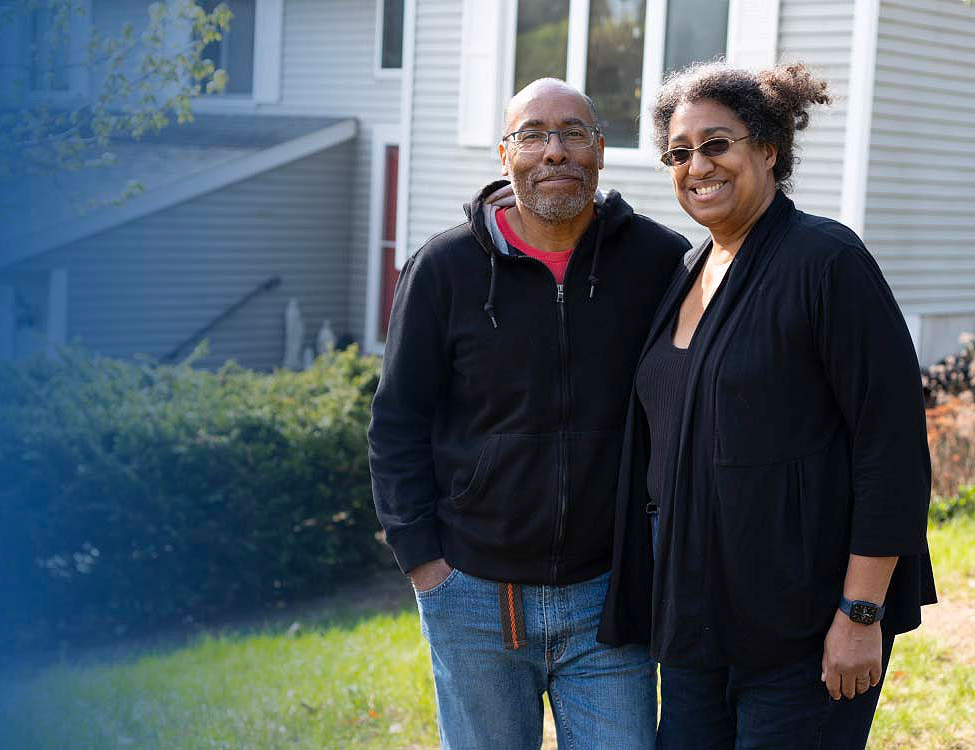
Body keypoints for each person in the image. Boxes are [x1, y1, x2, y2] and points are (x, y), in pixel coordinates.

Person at [597, 61, 937, 750]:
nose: (698, 165)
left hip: (804, 624)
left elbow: (891, 448)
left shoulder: (824, 260)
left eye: (717, 143)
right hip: (694, 619)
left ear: (768, 148)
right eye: (680, 152)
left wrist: (861, 613)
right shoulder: (694, 267)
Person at [368, 79, 689, 750]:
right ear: (505, 152)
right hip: (473, 595)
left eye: (574, 133)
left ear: (600, 150)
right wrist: (423, 561)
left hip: (611, 596)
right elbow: (397, 422)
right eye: (533, 134)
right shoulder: (443, 268)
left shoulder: (659, 262)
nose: (555, 151)